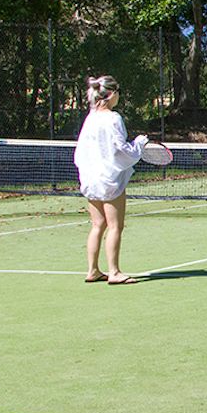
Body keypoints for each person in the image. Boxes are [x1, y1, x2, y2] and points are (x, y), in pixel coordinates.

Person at [74, 75, 147, 285]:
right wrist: (139, 145)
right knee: (115, 226)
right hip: (108, 179)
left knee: (97, 225)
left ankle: (93, 270)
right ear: (112, 94)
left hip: (91, 179)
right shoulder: (113, 118)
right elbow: (121, 148)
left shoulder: (90, 118)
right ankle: (114, 272)